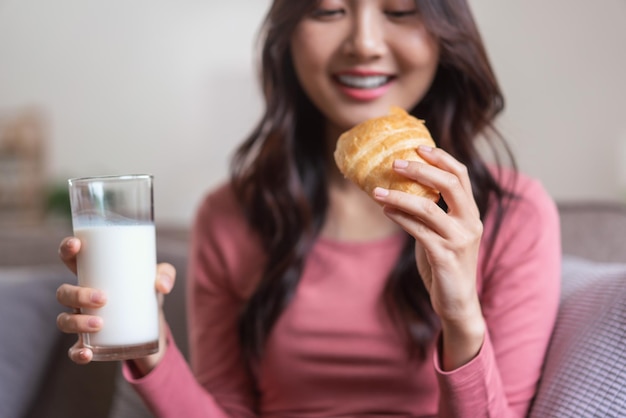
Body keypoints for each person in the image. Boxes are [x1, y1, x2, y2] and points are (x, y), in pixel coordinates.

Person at [56, 0, 561, 416]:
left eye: (402, 10)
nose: (364, 42)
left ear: (445, 35)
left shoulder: (515, 217)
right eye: (328, 10)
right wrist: (150, 345)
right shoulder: (229, 216)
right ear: (287, 37)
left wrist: (461, 315)